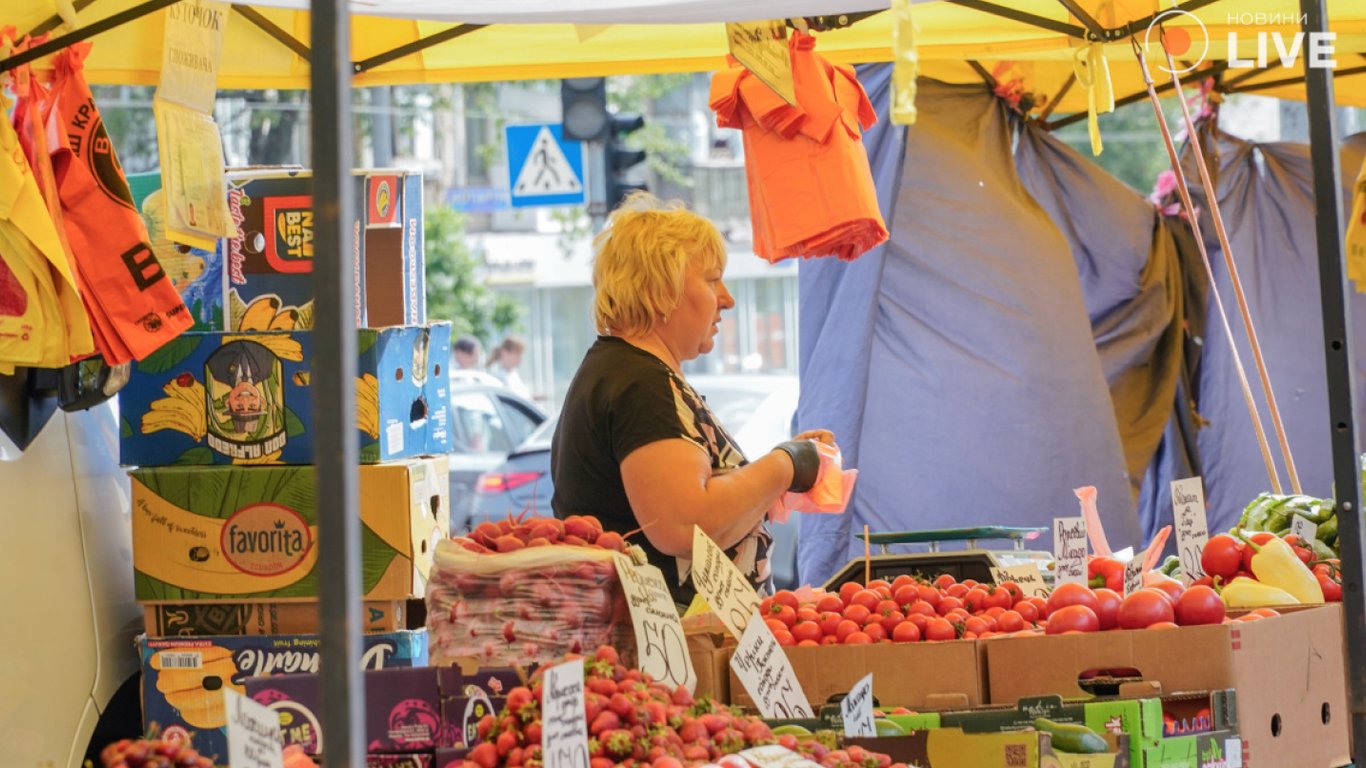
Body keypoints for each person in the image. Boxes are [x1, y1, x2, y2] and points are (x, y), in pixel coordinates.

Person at [550, 192, 835, 606]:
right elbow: (685, 525)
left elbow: (694, 497)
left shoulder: (633, 373)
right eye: (712, 279)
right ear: (659, 289)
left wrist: (781, 470)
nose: (727, 299)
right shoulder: (639, 383)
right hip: (668, 654)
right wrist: (784, 464)